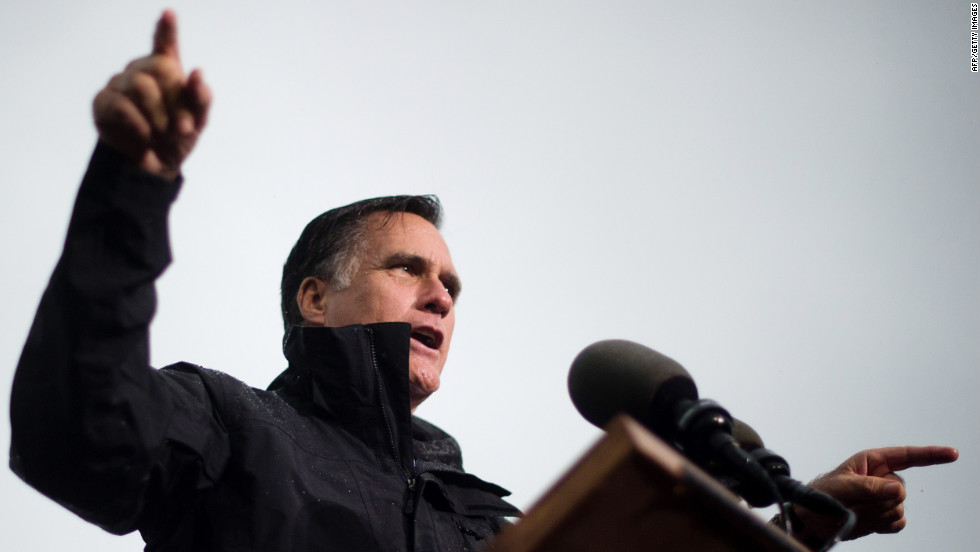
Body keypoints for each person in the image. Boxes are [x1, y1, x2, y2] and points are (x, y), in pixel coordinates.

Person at [8, 10, 958, 552]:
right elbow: (73, 445)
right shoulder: (226, 422)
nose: (441, 297)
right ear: (315, 298)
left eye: (454, 287)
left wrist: (800, 521)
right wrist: (131, 191)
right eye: (408, 269)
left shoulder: (486, 519)